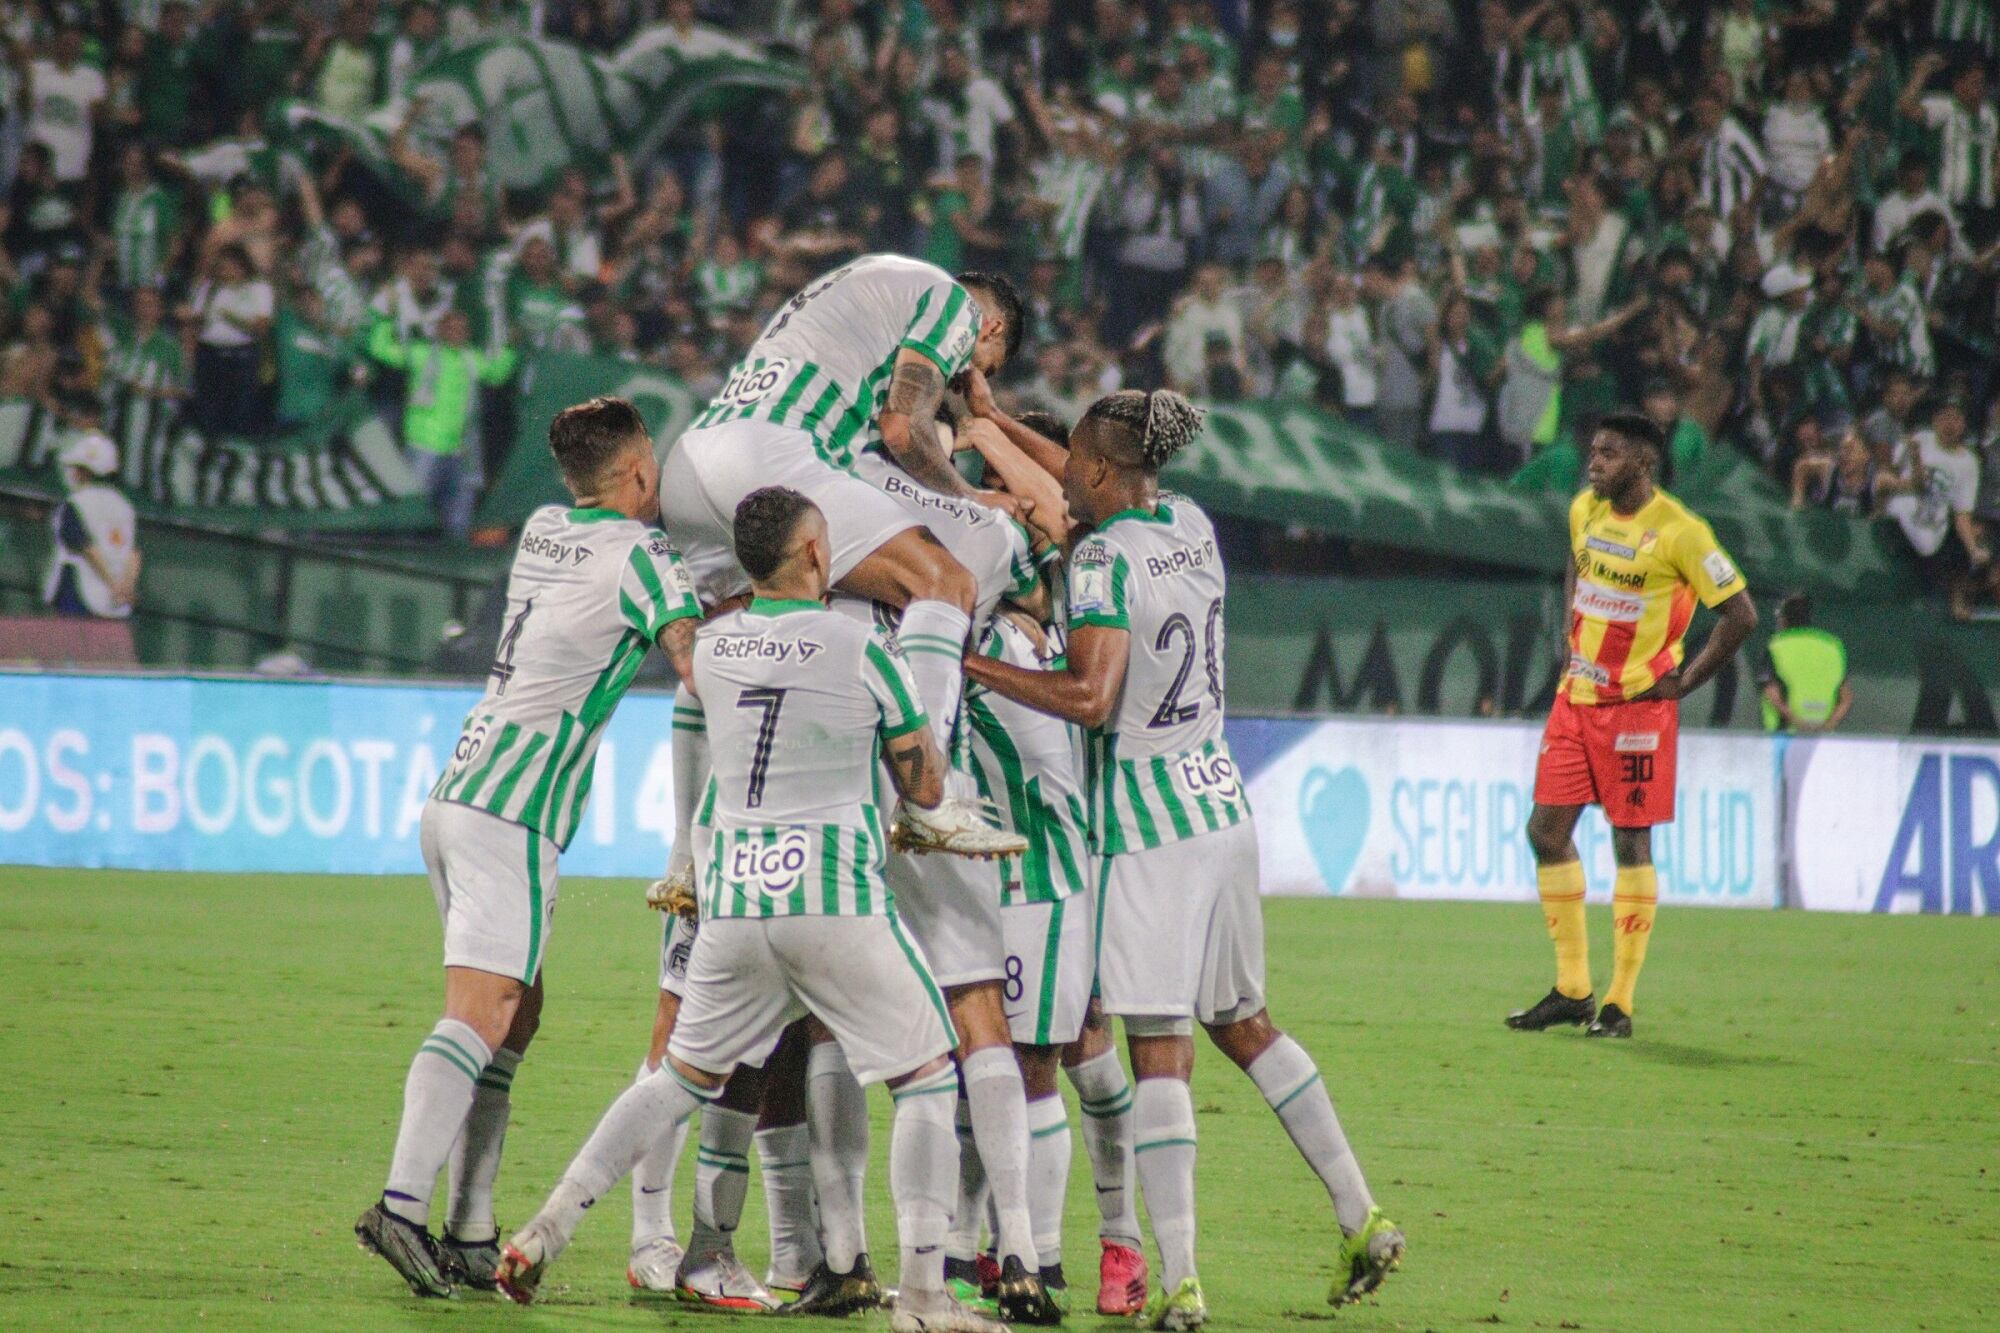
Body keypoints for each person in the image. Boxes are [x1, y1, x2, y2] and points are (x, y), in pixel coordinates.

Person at [495, 486, 1009, 1333]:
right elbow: (922, 783)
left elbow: (698, 744)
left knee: (677, 1082)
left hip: (734, 904)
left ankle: (549, 1224)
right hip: (833, 901)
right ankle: (922, 1298)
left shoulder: (713, 649)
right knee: (926, 1077)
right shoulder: (862, 647)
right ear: (814, 555)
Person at [963, 389, 1405, 1328]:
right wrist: (997, 426)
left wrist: (972, 667)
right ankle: (1360, 1212)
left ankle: (1181, 1277)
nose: (1063, 472)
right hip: (1222, 808)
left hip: (1149, 829)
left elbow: (1088, 695)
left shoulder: (1100, 564)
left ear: (1095, 471)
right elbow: (1080, 470)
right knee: (1247, 1024)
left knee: (1159, 1053)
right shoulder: (1191, 523)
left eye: (1071, 460)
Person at [354, 397, 704, 1298]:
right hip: (513, 807)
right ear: (637, 472)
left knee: (520, 1012)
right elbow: (693, 654)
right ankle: (400, 1204)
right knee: (481, 1009)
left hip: (461, 786)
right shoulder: (642, 553)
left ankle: (470, 1230)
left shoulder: (547, 527)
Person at [657, 254, 1031, 861]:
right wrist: (971, 496)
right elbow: (902, 428)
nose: (964, 379)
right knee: (942, 582)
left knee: (719, 650)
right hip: (770, 454)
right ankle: (928, 801)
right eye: (979, 366)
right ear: (991, 330)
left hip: (692, 464)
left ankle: (687, 855)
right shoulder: (953, 304)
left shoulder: (867, 281)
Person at [1510, 412, 1758, 1041]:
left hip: (1637, 709)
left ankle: (1618, 1002)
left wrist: (1686, 680)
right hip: (1577, 699)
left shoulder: (1681, 532)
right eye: (1594, 450)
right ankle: (1572, 989)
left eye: (1609, 453)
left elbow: (1740, 615)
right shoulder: (1584, 511)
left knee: (1630, 844)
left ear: (1643, 462)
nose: (1594, 462)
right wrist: (1570, 637)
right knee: (1545, 830)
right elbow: (1576, 564)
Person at [366, 310, 520, 541]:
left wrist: (509, 348)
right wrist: (386, 319)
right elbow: (381, 349)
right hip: (424, 446)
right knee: (412, 511)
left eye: (462, 328)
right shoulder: (421, 353)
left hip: (460, 450)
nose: (457, 332)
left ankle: (453, 564)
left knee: (458, 517)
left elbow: (496, 374)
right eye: (451, 327)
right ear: (440, 330)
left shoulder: (472, 358)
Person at [42, 410, 139, 619]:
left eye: (76, 468)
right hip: (114, 600)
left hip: (79, 591)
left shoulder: (76, 503)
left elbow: (85, 547)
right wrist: (125, 587)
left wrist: (112, 584)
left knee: (68, 649)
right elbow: (133, 553)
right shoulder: (125, 505)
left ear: (84, 471)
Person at [1759, 593, 1853, 733]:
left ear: (1783, 619)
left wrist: (1799, 724)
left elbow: (1771, 693)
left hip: (1784, 734)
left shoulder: (1774, 647)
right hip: (1822, 737)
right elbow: (1846, 697)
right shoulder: (1833, 646)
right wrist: (1828, 726)